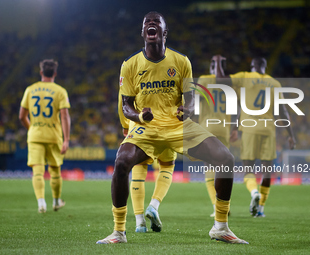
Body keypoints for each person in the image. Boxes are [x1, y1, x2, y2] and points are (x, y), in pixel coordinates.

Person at [96, 11, 248, 244]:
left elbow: (190, 98)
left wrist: (187, 109)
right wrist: (139, 115)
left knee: (225, 158)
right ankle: (118, 231)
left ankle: (220, 227)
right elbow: (126, 106)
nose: (151, 24)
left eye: (156, 22)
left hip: (178, 126)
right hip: (146, 129)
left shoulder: (181, 61)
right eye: (147, 22)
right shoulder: (129, 65)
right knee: (121, 161)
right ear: (143, 32)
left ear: (164, 32)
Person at [217, 56, 296, 217]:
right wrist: (291, 135)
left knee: (248, 169)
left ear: (252, 65)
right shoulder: (274, 83)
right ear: (264, 67)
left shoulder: (245, 77)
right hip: (268, 129)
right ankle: (260, 208)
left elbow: (220, 80)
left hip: (249, 129)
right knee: (267, 171)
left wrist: (218, 62)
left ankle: (254, 192)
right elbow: (283, 111)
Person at [118, 93, 176, 233]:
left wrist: (125, 125)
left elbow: (123, 102)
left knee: (138, 168)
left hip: (140, 123)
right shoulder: (172, 71)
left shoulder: (132, 72)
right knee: (167, 165)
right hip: (166, 123)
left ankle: (140, 223)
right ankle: (154, 206)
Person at [19, 59, 71, 213]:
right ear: (55, 73)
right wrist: (66, 139)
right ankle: (56, 201)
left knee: (38, 171)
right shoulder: (60, 91)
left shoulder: (30, 89)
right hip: (53, 136)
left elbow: (22, 116)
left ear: (41, 72)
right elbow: (64, 116)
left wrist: (32, 129)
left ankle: (41, 203)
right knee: (55, 170)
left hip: (35, 136)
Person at [197, 55, 234, 217]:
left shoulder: (204, 79)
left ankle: (216, 206)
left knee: (209, 166)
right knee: (224, 166)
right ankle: (225, 205)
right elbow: (235, 108)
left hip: (207, 126)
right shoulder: (229, 83)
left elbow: (196, 101)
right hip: (225, 128)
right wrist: (235, 128)